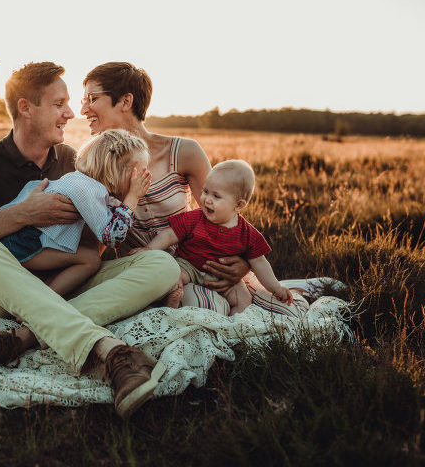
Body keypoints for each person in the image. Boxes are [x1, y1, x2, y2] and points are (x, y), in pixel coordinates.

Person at [0, 62, 179, 419]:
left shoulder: (74, 161)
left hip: (64, 281)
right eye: (60, 104)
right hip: (5, 289)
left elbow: (93, 246)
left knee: (162, 265)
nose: (71, 113)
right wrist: (24, 214)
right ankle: (110, 351)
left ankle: (22, 339)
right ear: (26, 107)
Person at [80, 61, 309, 316]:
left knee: (278, 311)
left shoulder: (183, 152)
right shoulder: (92, 164)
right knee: (202, 310)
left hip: (194, 266)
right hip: (139, 271)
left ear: (125, 101)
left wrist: (243, 264)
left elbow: (223, 215)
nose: (83, 109)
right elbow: (97, 243)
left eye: (92, 98)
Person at [0, 129, 151, 296]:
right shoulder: (88, 189)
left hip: (22, 241)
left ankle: (45, 292)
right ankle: (42, 303)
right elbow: (113, 237)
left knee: (87, 252)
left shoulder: (85, 183)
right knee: (90, 260)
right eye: (139, 173)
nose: (143, 179)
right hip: (23, 243)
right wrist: (133, 197)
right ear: (117, 171)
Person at [132, 160, 294, 315]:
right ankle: (171, 304)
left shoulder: (247, 234)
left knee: (244, 298)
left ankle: (232, 324)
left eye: (216, 196)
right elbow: (168, 235)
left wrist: (276, 288)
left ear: (238, 205)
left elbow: (260, 263)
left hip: (223, 277)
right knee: (173, 276)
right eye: (206, 191)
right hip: (189, 266)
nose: (207, 199)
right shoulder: (195, 218)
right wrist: (149, 249)